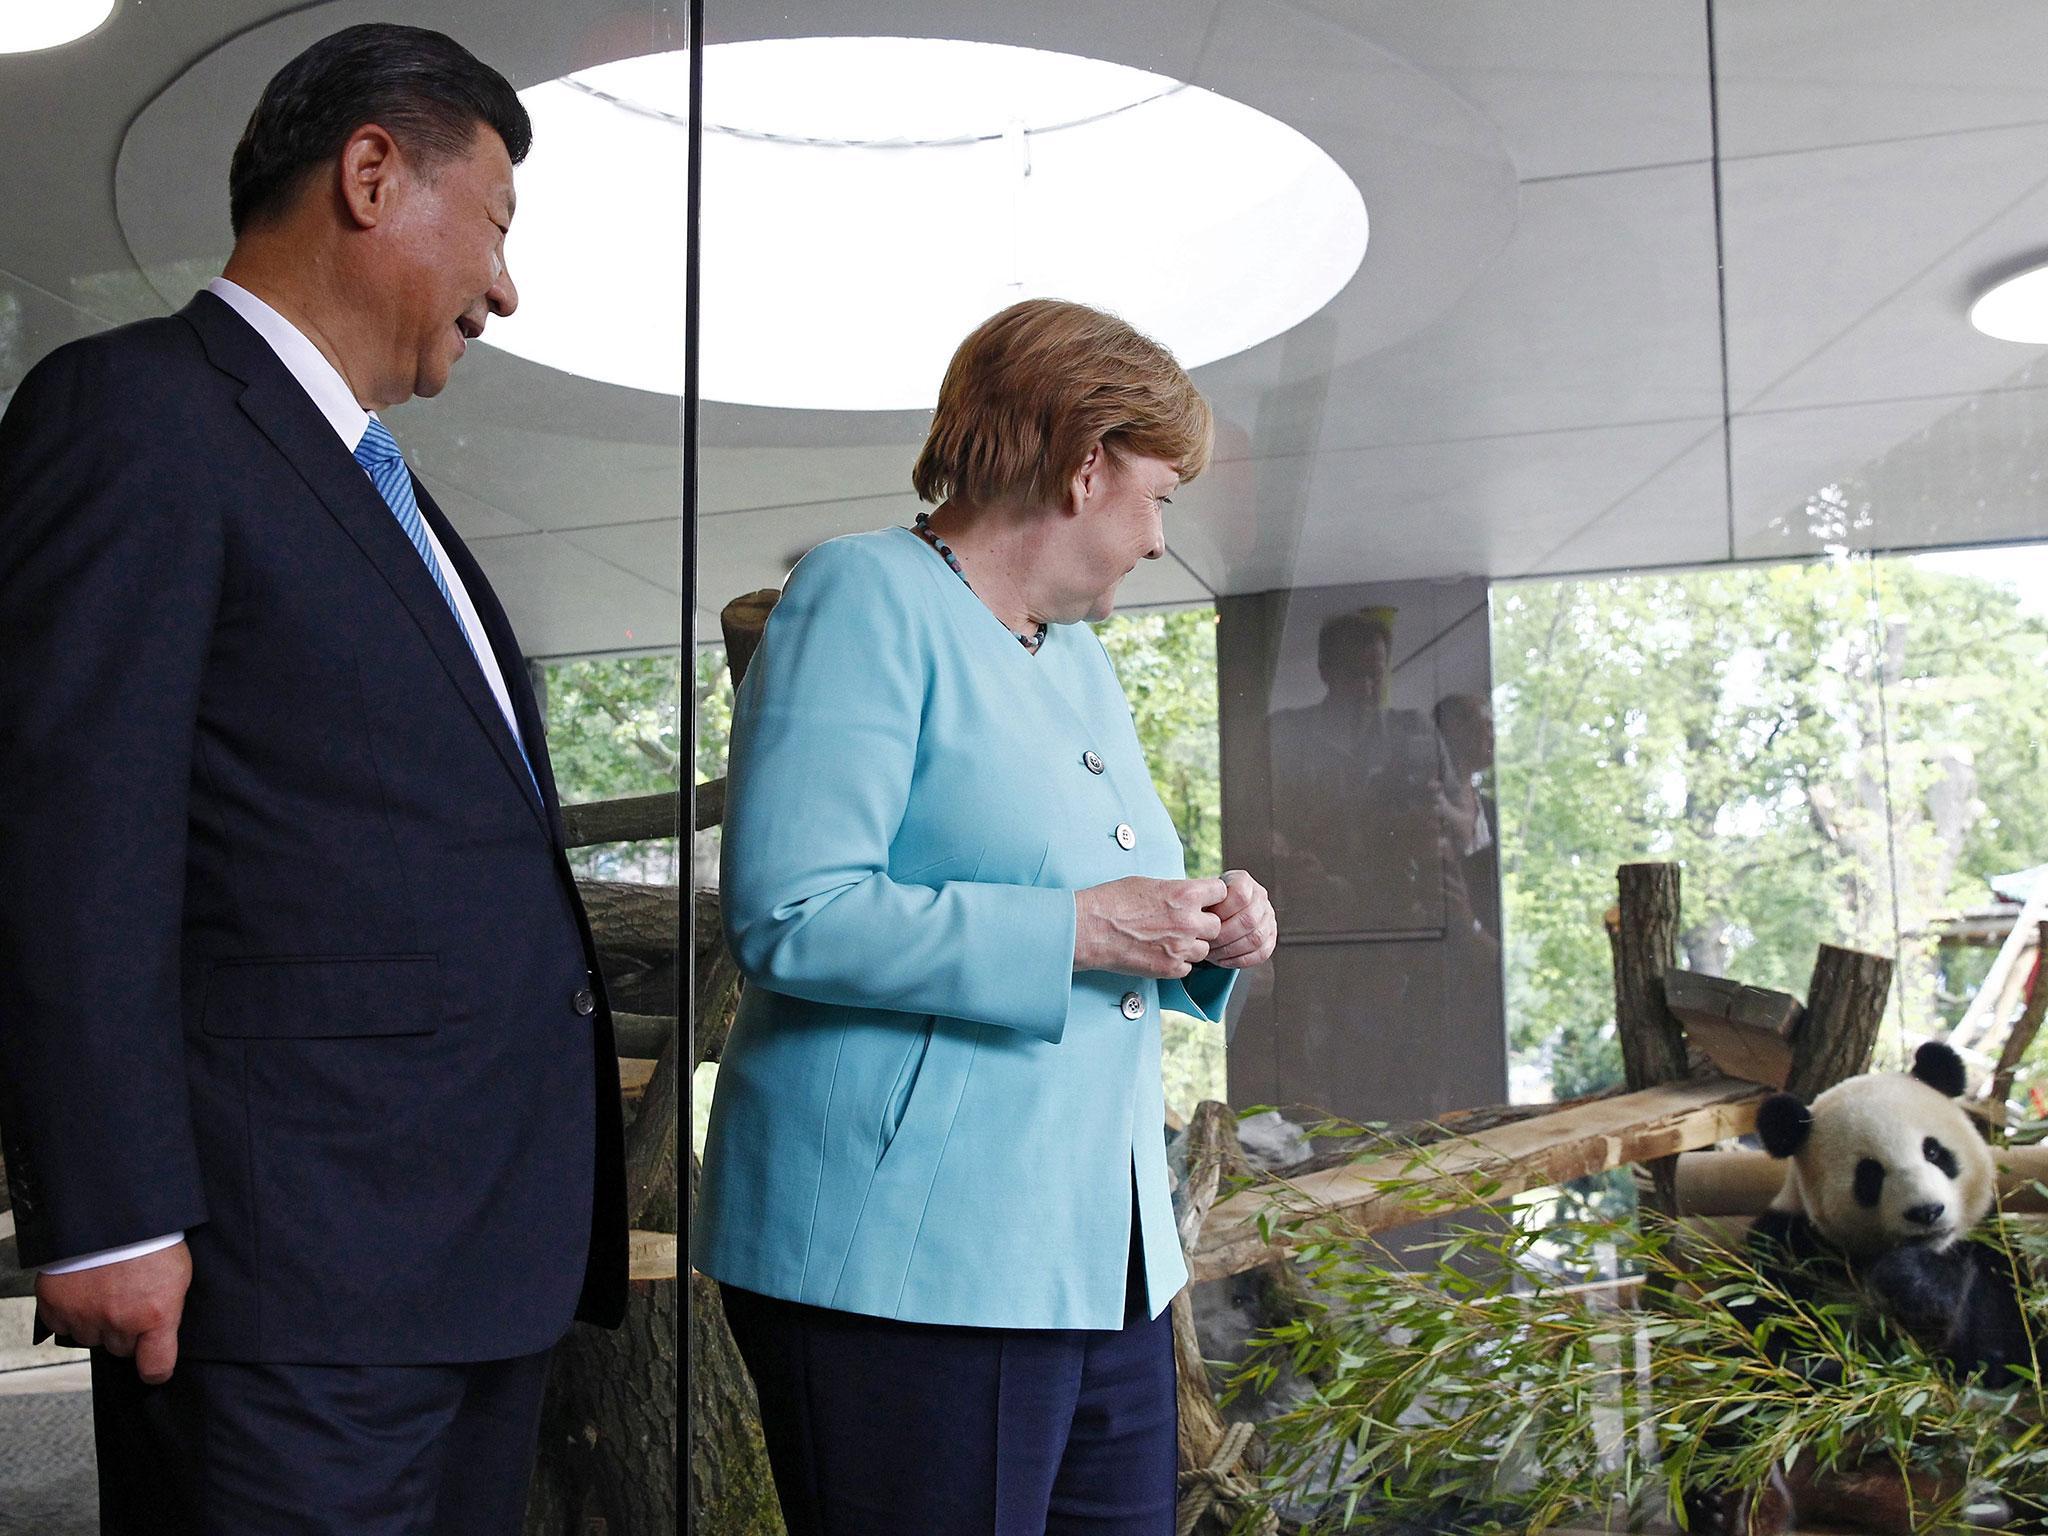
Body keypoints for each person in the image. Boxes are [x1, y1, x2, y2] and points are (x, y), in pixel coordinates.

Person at [0, 25, 625, 1534]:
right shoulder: (133, 412)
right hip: (290, 1285)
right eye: (495, 225)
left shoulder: (389, 498)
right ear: (368, 175)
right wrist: (110, 1207)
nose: (505, 285)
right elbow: (68, 830)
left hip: (464, 1278)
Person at [691, 298, 1277, 1534]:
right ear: (1082, 464)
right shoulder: (860, 593)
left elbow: (1094, 905)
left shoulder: (1071, 653)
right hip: (908, 1268)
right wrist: (1079, 929)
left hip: (1096, 1261)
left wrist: (1196, 930)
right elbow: (793, 916)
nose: (1161, 539)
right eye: (1158, 494)